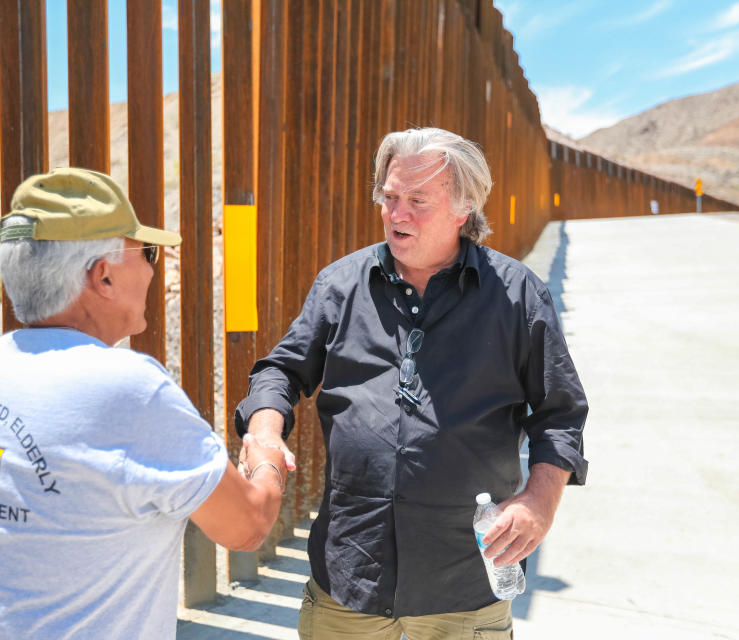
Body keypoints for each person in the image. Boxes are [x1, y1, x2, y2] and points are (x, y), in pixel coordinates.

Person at [235, 128, 588, 639]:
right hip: (347, 578)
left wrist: (540, 500)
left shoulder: (518, 298)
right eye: (390, 197)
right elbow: (280, 371)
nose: (397, 214)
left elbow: (560, 414)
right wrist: (265, 431)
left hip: (465, 584)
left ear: (464, 208)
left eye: (418, 201)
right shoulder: (340, 285)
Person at [0, 168, 286, 639]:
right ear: (104, 276)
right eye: (147, 253)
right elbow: (248, 526)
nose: (154, 268)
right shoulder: (128, 390)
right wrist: (266, 454)